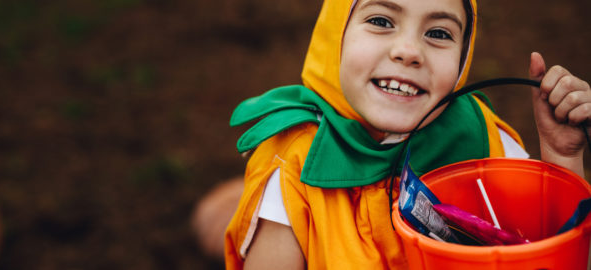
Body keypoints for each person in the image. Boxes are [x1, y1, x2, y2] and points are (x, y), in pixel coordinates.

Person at [223, 0, 591, 269]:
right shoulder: (296, 165)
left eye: (438, 32)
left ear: (463, 57)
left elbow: (564, 257)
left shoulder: (484, 140)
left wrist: (562, 158)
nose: (409, 52)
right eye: (382, 20)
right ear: (336, 34)